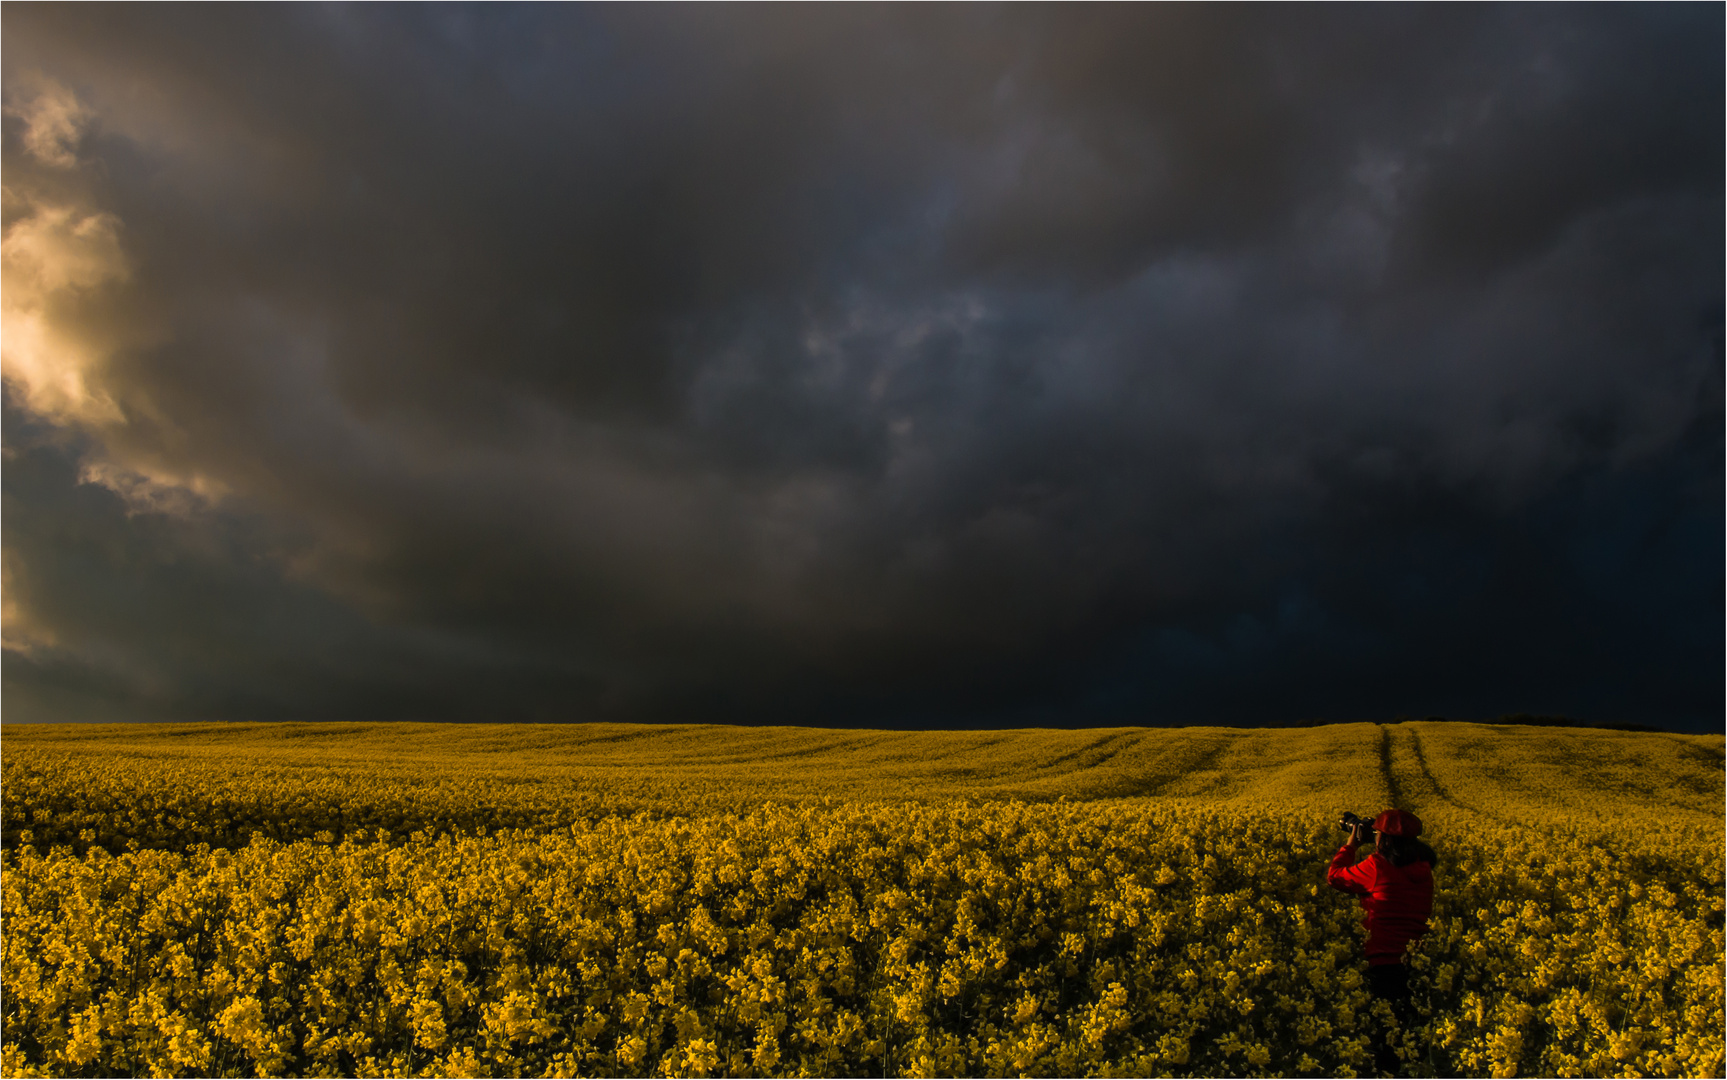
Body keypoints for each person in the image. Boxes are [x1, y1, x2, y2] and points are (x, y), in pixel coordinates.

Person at [1326, 808, 1437, 1075]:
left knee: (1383, 1045)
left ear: (1384, 839)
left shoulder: (1377, 866)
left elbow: (1335, 876)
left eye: (1376, 833)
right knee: (1407, 1038)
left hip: (1382, 962)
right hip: (1415, 963)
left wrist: (1352, 843)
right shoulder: (1424, 871)